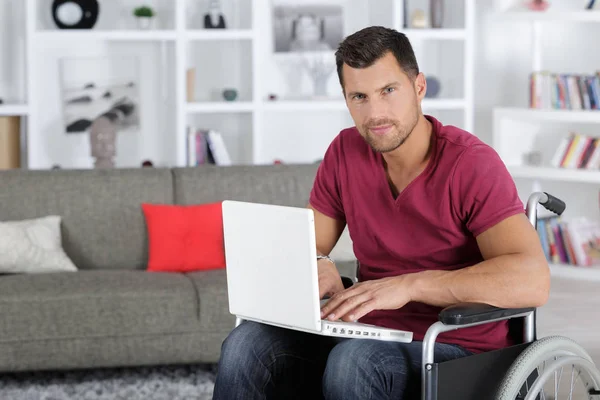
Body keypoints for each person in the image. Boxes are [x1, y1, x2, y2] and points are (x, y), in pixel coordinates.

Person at [212, 26, 550, 400]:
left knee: (355, 361)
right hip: (368, 333)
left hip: (457, 345)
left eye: (388, 91)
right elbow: (308, 246)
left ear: (418, 87)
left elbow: (531, 280)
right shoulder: (344, 152)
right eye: (359, 97)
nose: (375, 114)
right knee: (248, 344)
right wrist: (317, 263)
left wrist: (409, 285)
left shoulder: (470, 164)